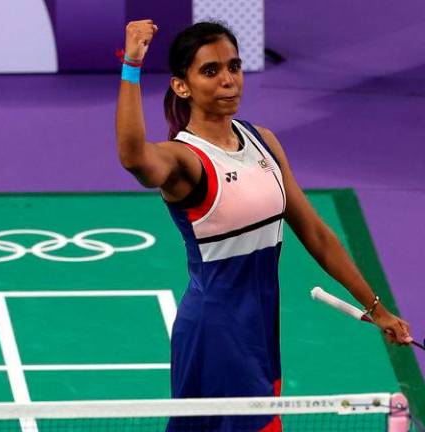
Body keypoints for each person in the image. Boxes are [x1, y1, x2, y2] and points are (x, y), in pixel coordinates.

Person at [115, 20, 413, 432]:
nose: (228, 81)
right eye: (210, 71)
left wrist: (376, 309)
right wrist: (131, 64)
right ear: (181, 86)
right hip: (215, 330)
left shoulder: (264, 142)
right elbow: (133, 157)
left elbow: (317, 235)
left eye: (233, 67)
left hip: (259, 327)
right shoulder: (184, 160)